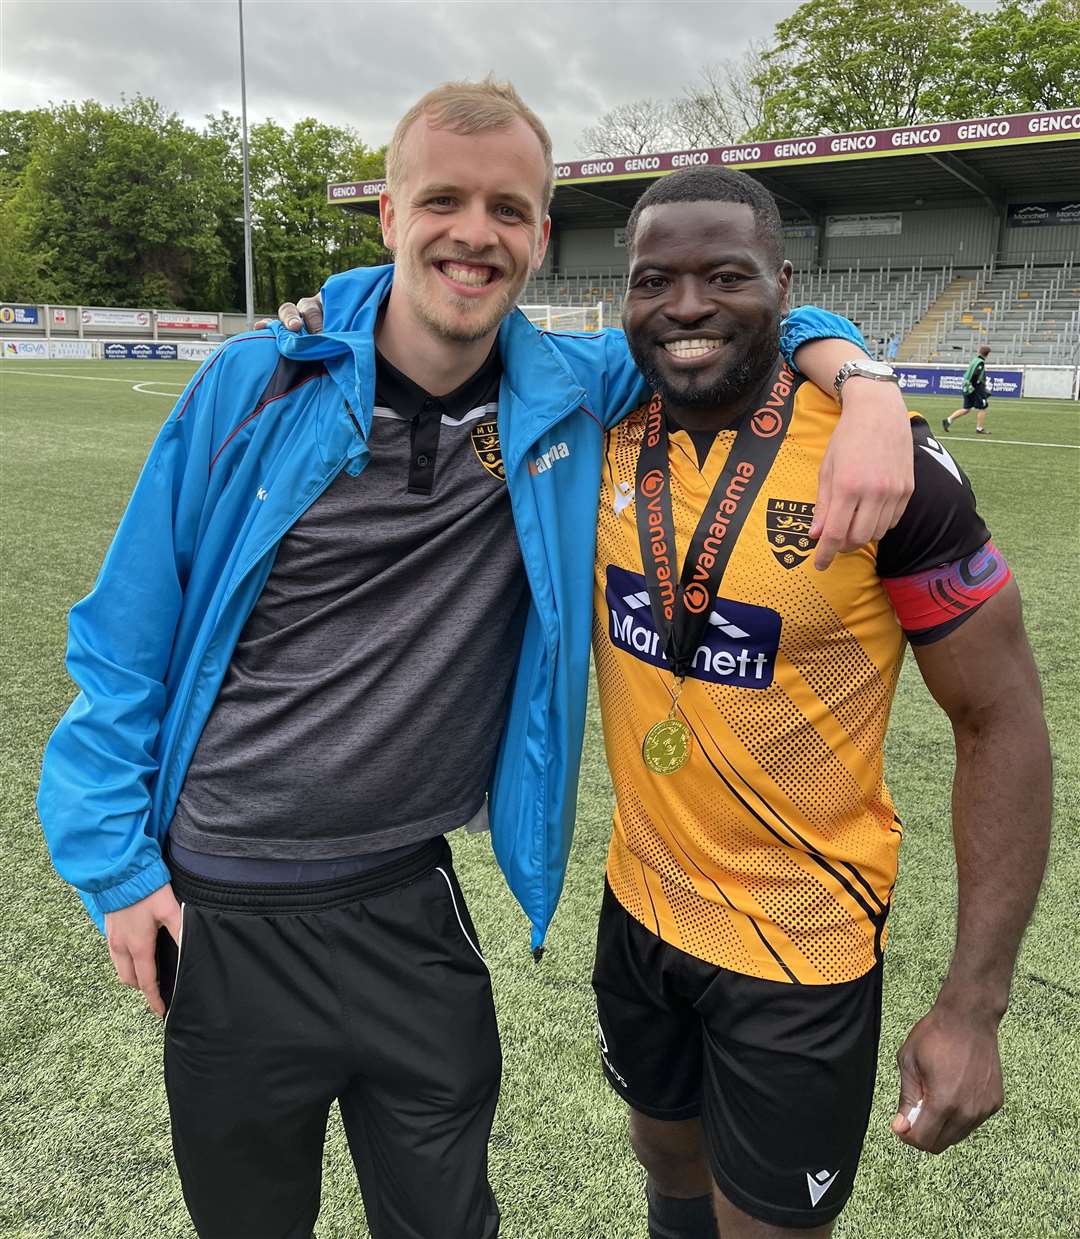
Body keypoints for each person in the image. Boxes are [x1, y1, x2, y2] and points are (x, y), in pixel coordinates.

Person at [37, 80, 913, 1239]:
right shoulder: (253, 387)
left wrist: (863, 376)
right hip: (226, 905)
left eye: (509, 208)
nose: (474, 232)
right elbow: (123, 640)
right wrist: (118, 872)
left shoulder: (566, 392)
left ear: (542, 237)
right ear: (390, 216)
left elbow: (727, 319)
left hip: (413, 898)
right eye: (442, 199)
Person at [587, 168, 1050, 1239]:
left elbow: (1002, 720)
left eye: (725, 275)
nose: (688, 304)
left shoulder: (889, 468)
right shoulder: (602, 420)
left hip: (800, 947)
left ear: (782, 285)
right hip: (638, 904)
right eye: (656, 278)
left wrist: (975, 1006)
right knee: (664, 1156)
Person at [943, 343, 992, 434]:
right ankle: (979, 428)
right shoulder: (980, 363)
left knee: (967, 408)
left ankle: (948, 420)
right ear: (988, 354)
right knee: (983, 407)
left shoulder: (975, 360)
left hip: (966, 386)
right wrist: (977, 388)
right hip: (973, 388)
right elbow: (975, 375)